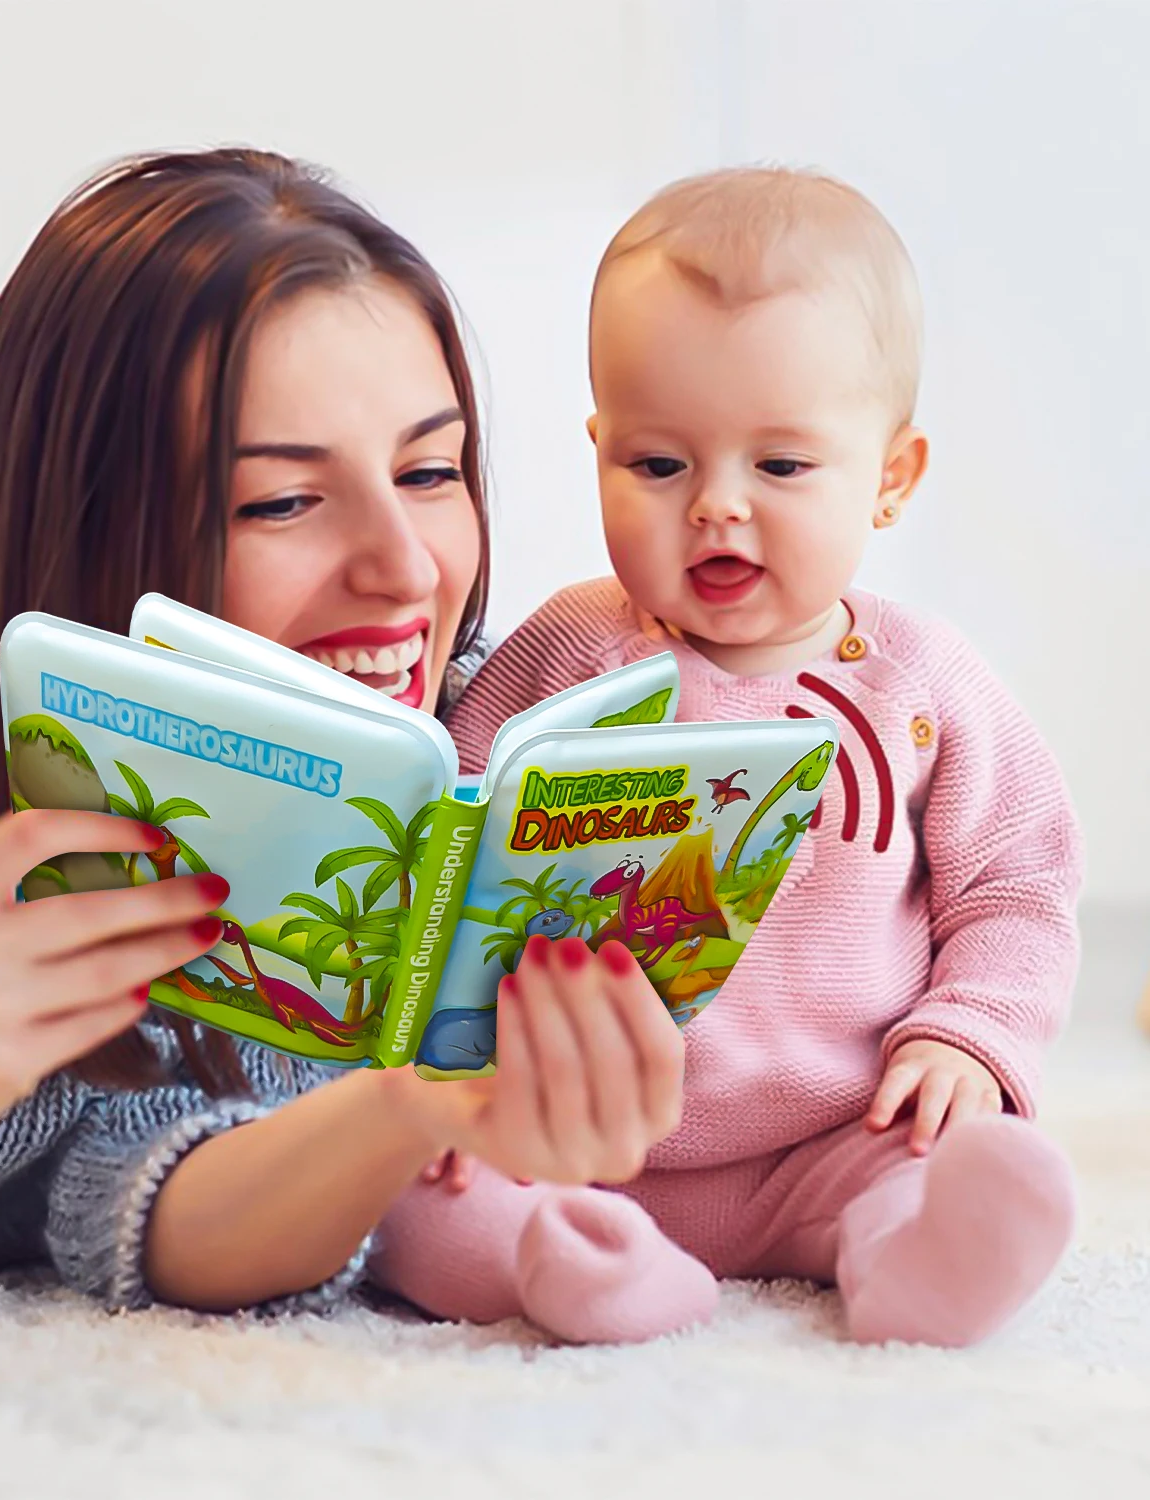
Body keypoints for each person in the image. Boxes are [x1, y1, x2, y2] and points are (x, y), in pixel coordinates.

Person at [0, 149, 685, 1310]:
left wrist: (417, 1104)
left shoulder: (471, 762)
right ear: (86, 519)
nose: (403, 568)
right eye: (281, 501)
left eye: (431, 470)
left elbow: (158, 1208)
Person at [369, 167, 1081, 1348]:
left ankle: (915, 1259)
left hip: (831, 1133)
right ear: (601, 450)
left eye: (782, 467)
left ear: (890, 478)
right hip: (569, 1137)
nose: (717, 508)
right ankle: (578, 1268)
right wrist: (445, 1075)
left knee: (928, 1155)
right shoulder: (563, 651)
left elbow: (1019, 883)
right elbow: (442, 857)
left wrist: (970, 1036)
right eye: (660, 465)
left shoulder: (925, 686)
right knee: (412, 1205)